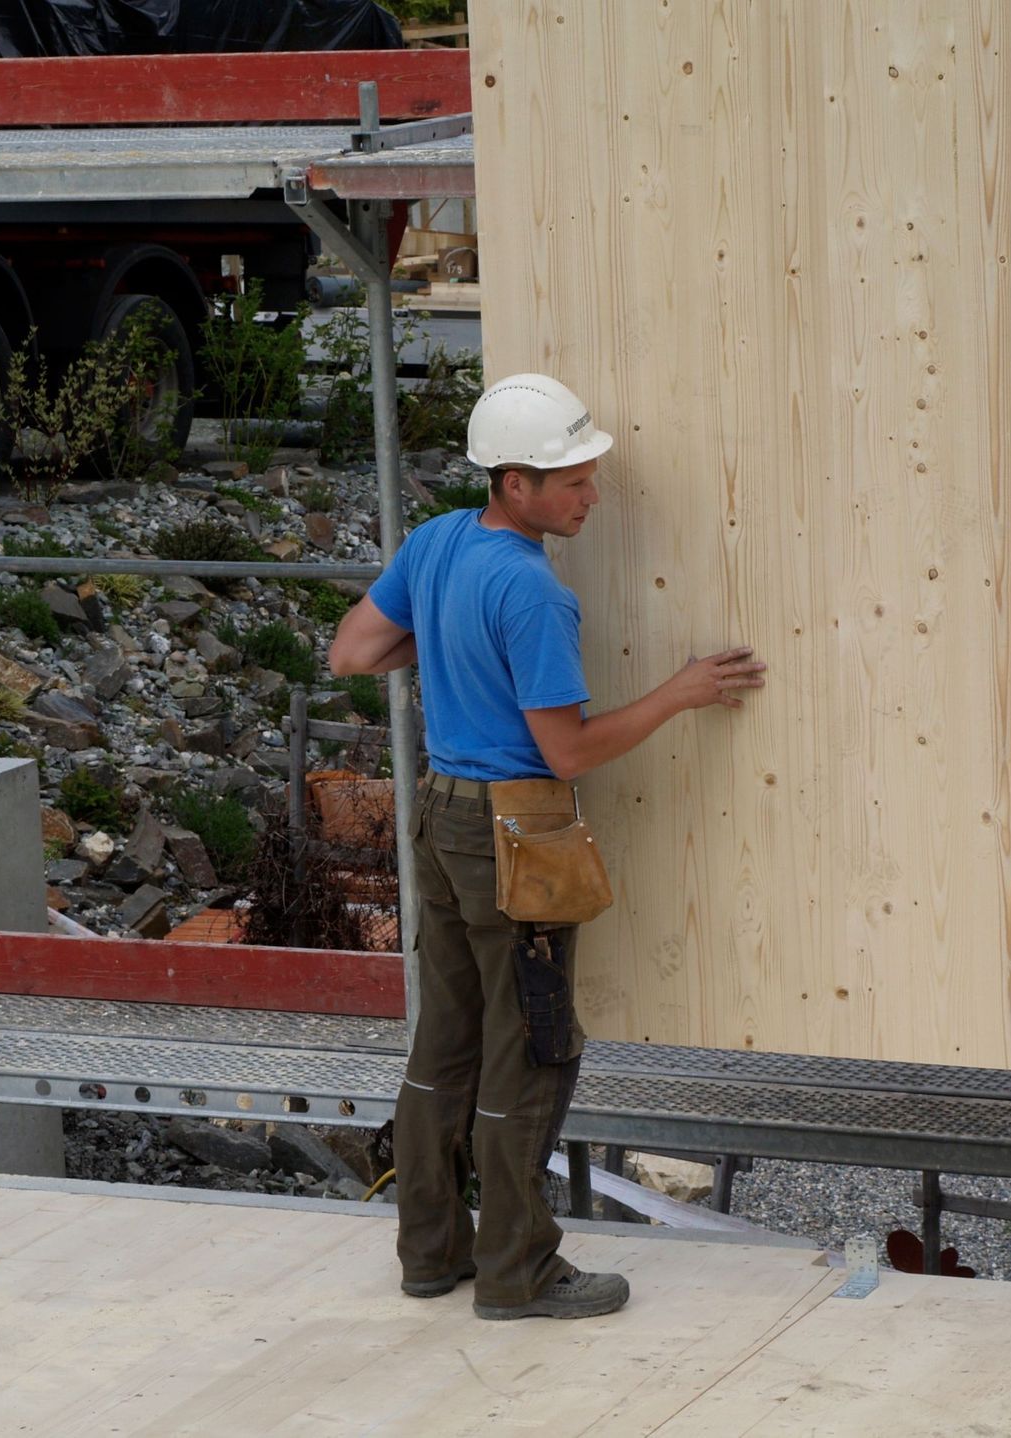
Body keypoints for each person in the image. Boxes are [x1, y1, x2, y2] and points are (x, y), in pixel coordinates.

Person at [327, 373, 766, 1320]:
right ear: (514, 483)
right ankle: (518, 1274)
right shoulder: (531, 593)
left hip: (442, 823)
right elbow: (567, 749)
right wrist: (679, 693)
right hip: (514, 831)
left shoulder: (441, 541)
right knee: (531, 1051)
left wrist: (448, 649)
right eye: (573, 480)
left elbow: (352, 652)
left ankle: (430, 1254)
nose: (591, 496)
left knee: (442, 1046)